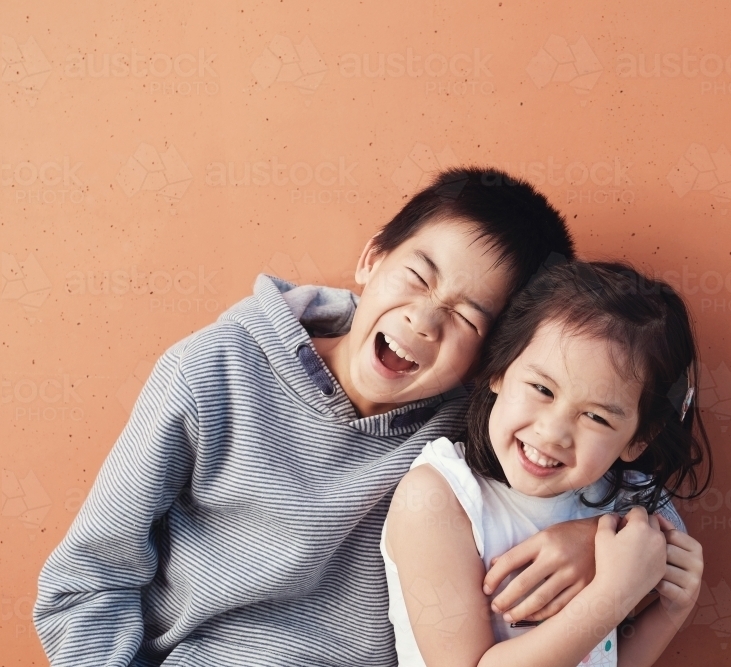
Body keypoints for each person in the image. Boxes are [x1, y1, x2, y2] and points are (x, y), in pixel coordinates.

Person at [33, 168, 597, 667]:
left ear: (492, 361)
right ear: (372, 259)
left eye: (468, 320)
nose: (425, 321)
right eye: (417, 278)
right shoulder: (214, 369)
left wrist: (594, 539)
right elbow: (85, 580)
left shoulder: (480, 426)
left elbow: (635, 486)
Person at [383, 261, 713, 667]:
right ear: (500, 369)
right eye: (542, 388)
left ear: (639, 438)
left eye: (596, 417)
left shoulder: (623, 501)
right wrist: (611, 595)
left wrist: (670, 611)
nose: (554, 432)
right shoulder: (439, 497)